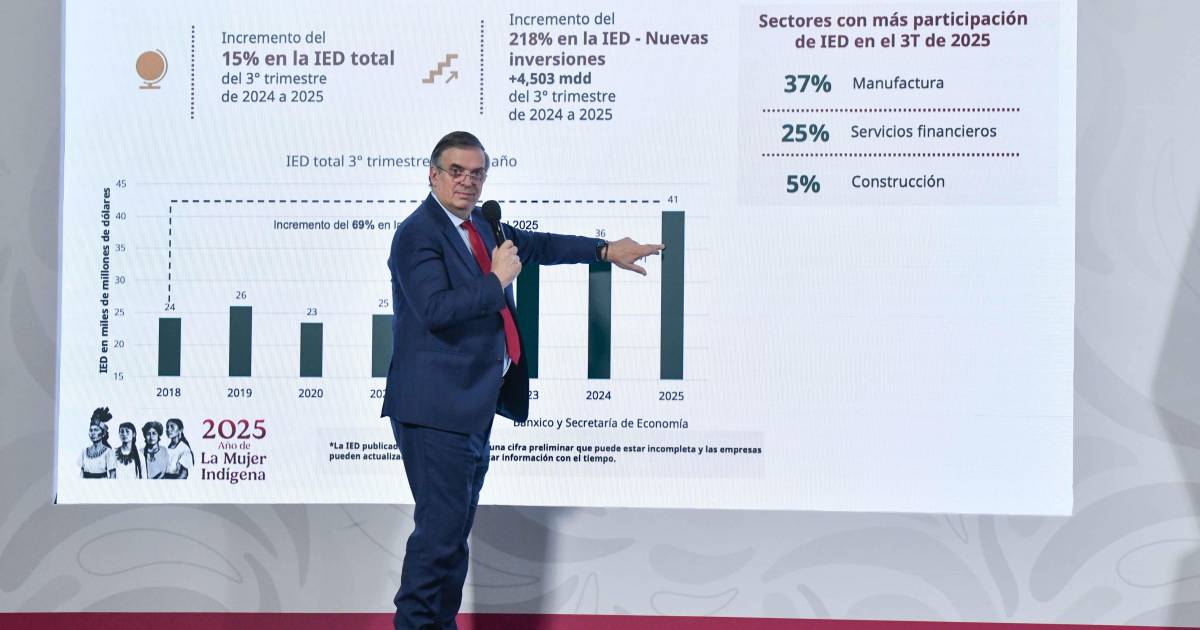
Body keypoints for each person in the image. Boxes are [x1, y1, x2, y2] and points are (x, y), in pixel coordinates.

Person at [380, 131, 663, 629]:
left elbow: (541, 245)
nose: (467, 182)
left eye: (477, 173)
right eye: (456, 171)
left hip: (472, 407)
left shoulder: (482, 226)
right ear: (433, 175)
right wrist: (495, 281)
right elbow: (434, 309)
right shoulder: (417, 234)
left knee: (452, 542)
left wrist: (604, 250)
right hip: (434, 411)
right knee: (437, 541)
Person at [79, 407, 115, 479]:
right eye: (91, 430)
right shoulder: (84, 452)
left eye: (96, 430)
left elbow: (113, 475)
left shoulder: (109, 452)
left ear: (103, 433)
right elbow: (81, 474)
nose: (93, 433)